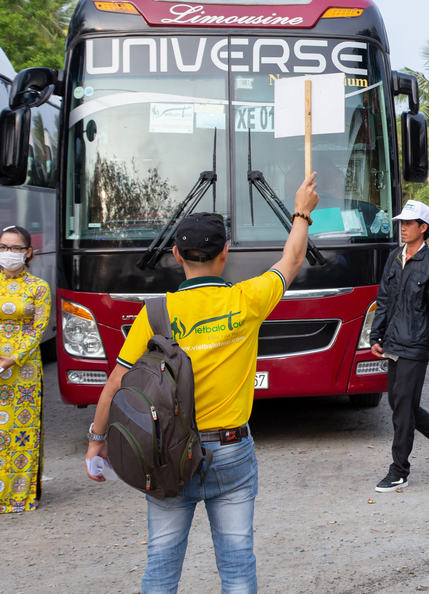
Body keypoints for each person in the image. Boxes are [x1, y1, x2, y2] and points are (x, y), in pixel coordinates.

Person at [85, 174, 318, 591]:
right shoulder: (246, 300)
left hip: (167, 454)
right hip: (231, 452)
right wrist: (300, 211)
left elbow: (115, 384)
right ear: (224, 253)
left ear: (176, 254)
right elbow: (293, 260)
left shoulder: (156, 313)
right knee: (237, 566)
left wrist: (96, 440)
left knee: (161, 565)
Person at [370, 200, 429, 492]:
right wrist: (375, 336)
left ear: (423, 228)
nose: (403, 228)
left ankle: (399, 470)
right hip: (394, 342)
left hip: (417, 345)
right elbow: (384, 300)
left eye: (409, 223)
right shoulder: (395, 257)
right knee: (398, 403)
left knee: (402, 408)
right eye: (401, 223)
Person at [0, 225, 50, 515]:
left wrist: (11, 358)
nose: (9, 254)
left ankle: (19, 495)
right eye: (4, 247)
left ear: (28, 252)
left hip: (24, 370)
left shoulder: (38, 288)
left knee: (21, 432)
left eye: (16, 248)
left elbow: (38, 329)